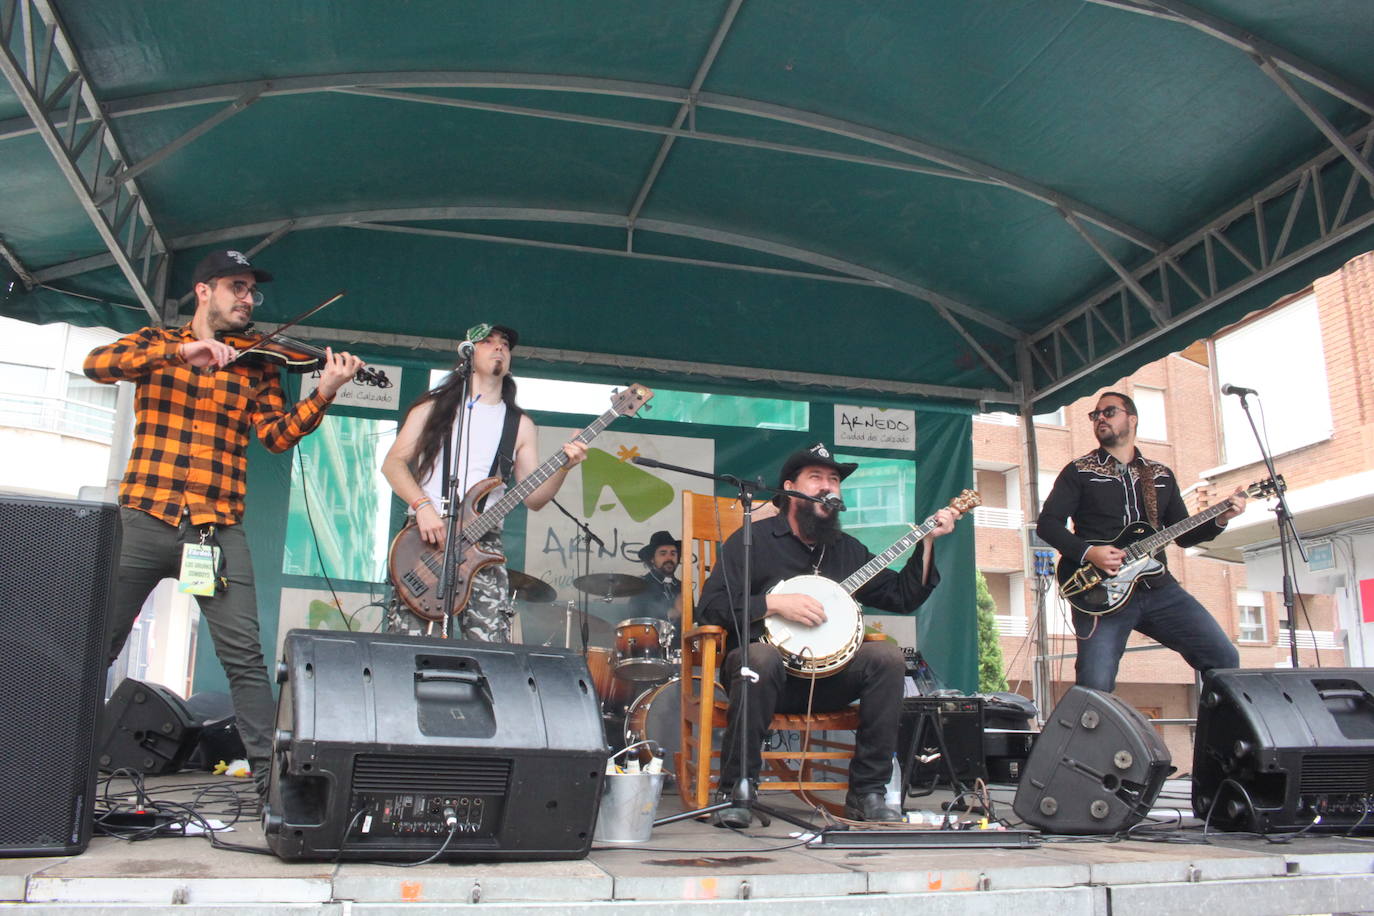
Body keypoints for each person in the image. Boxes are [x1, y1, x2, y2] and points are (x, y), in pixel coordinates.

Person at [84, 248, 364, 799]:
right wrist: (180, 352)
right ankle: (47, 766)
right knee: (94, 645)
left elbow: (276, 436)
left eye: (252, 291)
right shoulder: (154, 343)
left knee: (245, 659)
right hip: (144, 516)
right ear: (204, 291)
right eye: (237, 286)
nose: (248, 299)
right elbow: (97, 364)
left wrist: (325, 392)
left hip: (214, 530)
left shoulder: (257, 363)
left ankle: (269, 788)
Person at [696, 442, 959, 826]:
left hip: (828, 679)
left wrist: (928, 541)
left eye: (834, 480)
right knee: (761, 658)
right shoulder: (753, 541)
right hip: (765, 676)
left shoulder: (845, 549)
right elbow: (710, 606)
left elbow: (903, 595)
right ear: (790, 489)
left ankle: (868, 793)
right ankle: (738, 789)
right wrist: (773, 605)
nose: (828, 487)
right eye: (816, 478)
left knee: (886, 657)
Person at [381, 322, 586, 641]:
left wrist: (564, 467)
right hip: (427, 534)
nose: (499, 347)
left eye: (504, 343)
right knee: (404, 648)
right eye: (488, 342)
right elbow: (393, 465)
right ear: (468, 353)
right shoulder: (432, 408)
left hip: (484, 540)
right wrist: (422, 506)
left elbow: (535, 498)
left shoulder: (520, 425)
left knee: (492, 648)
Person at [1036, 390, 1246, 692]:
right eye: (1095, 415)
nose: (1100, 419)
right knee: (1095, 684)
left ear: (1132, 419)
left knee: (1223, 657)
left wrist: (1221, 518)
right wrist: (1089, 553)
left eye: (1109, 412)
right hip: (1099, 591)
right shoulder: (1079, 471)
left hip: (1158, 588)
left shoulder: (1160, 475)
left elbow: (1183, 534)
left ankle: (1218, 737)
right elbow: (1048, 524)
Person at [626, 530, 682, 627]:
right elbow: (636, 621)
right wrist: (672, 613)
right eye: (663, 554)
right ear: (652, 559)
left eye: (673, 553)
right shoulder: (640, 585)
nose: (669, 558)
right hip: (650, 641)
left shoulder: (683, 587)